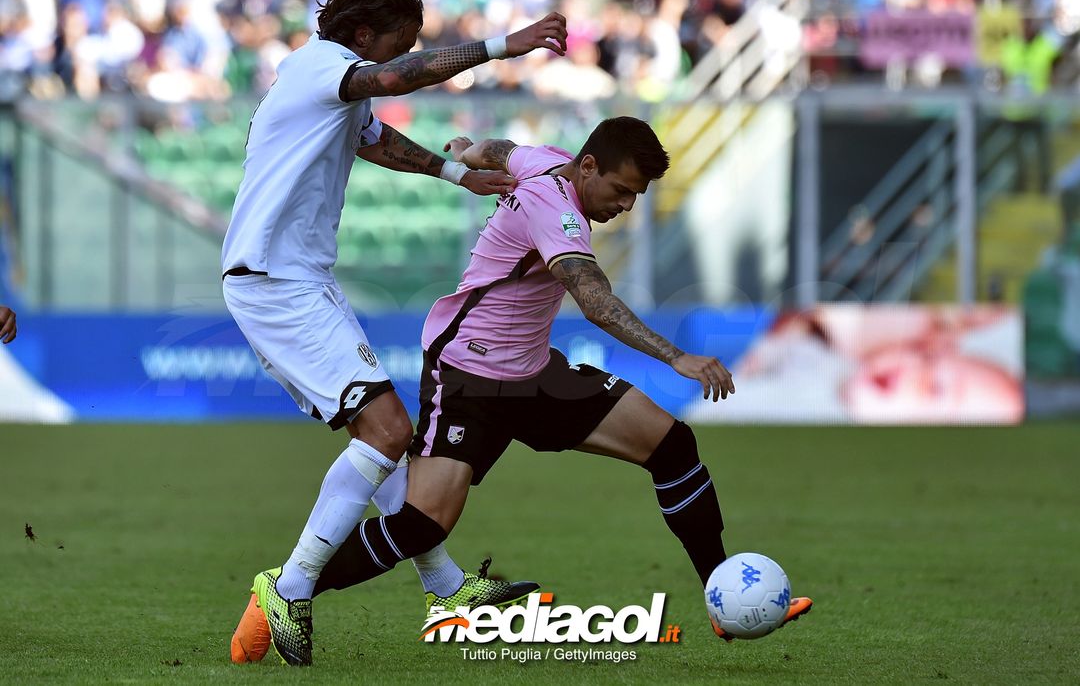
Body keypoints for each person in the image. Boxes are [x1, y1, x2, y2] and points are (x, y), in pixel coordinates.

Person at [290, 116, 813, 645]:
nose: (627, 205)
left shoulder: (548, 160)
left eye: (637, 195)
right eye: (622, 190)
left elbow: (505, 150)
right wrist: (675, 357)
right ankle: (292, 590)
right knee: (424, 526)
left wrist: (469, 152)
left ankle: (722, 597)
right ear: (588, 167)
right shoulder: (555, 209)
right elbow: (594, 302)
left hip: (535, 373)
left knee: (673, 444)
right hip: (470, 376)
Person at [220, 0, 568, 666]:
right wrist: (504, 45)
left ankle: (445, 588)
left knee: (380, 437)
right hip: (276, 279)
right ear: (362, 35)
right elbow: (396, 81)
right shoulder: (324, 67)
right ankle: (290, 585)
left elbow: (376, 140)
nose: (402, 55)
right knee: (388, 429)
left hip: (294, 277)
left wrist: (455, 173)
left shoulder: (324, 82)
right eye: (397, 43)